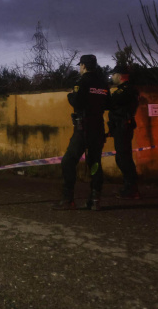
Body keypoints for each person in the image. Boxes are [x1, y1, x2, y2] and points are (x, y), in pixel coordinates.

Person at [54, 54, 110, 211]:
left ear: (84, 66)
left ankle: (67, 199)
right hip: (98, 127)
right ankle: (95, 199)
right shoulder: (103, 83)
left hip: (83, 127)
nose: (79, 68)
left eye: (80, 66)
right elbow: (108, 104)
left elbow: (77, 101)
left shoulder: (81, 81)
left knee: (69, 161)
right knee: (95, 163)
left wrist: (70, 96)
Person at [109, 65, 141, 199]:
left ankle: (131, 190)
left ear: (120, 75)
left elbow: (111, 103)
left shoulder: (126, 91)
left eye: (113, 74)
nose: (112, 77)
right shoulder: (128, 90)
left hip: (123, 127)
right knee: (123, 157)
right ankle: (129, 188)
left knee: (124, 158)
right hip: (121, 127)